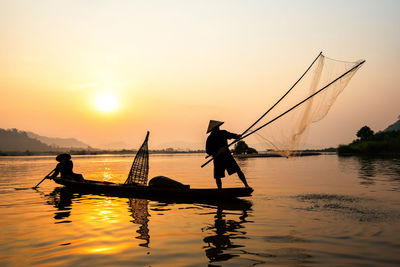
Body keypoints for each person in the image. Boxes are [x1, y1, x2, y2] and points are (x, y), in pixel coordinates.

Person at [205, 120, 250, 189]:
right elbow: (208, 151)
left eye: (218, 127)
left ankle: (246, 185)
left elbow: (231, 135)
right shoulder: (210, 138)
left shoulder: (223, 133)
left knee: (238, 170)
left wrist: (237, 136)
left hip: (227, 156)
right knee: (218, 176)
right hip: (217, 158)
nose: (218, 128)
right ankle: (220, 190)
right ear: (213, 129)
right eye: (216, 128)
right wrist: (217, 152)